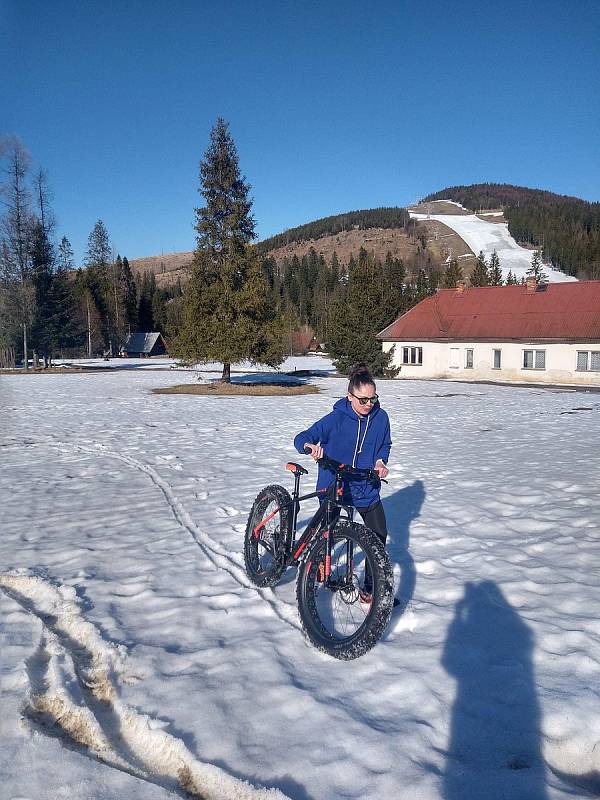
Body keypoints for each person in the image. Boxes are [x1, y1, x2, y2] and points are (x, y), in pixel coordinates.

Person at [294, 362, 392, 603]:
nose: (369, 404)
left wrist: (380, 461)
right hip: (334, 484)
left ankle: (371, 588)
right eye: (363, 400)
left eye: (372, 399)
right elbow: (303, 437)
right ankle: (319, 566)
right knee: (327, 532)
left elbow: (384, 444)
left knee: (378, 535)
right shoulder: (336, 418)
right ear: (350, 397)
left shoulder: (381, 418)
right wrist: (309, 447)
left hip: (365, 486)